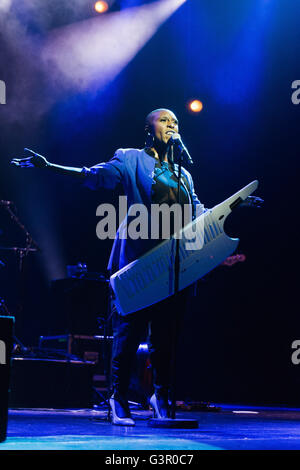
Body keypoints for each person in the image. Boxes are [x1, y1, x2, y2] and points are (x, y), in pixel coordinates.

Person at [11, 108, 262, 425]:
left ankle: (160, 395)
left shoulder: (184, 174)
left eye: (176, 122)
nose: (172, 125)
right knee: (128, 332)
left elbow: (200, 214)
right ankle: (118, 398)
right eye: (164, 120)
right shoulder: (130, 158)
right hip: (139, 260)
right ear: (148, 129)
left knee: (166, 336)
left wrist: (236, 205)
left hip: (174, 266)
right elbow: (94, 175)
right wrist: (50, 167)